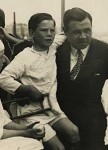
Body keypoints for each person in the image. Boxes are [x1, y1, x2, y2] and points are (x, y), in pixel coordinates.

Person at [0, 13, 80, 150]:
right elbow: (3, 78)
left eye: (52, 30)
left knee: (74, 133)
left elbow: (65, 34)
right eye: (44, 30)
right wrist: (26, 89)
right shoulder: (25, 57)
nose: (49, 34)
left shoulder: (53, 47)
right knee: (58, 148)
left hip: (51, 109)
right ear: (32, 33)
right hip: (30, 113)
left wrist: (77, 31)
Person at [56, 7, 108, 150]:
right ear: (65, 31)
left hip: (95, 126)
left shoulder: (107, 52)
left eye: (87, 30)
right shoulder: (56, 51)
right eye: (76, 32)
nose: (83, 36)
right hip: (61, 123)